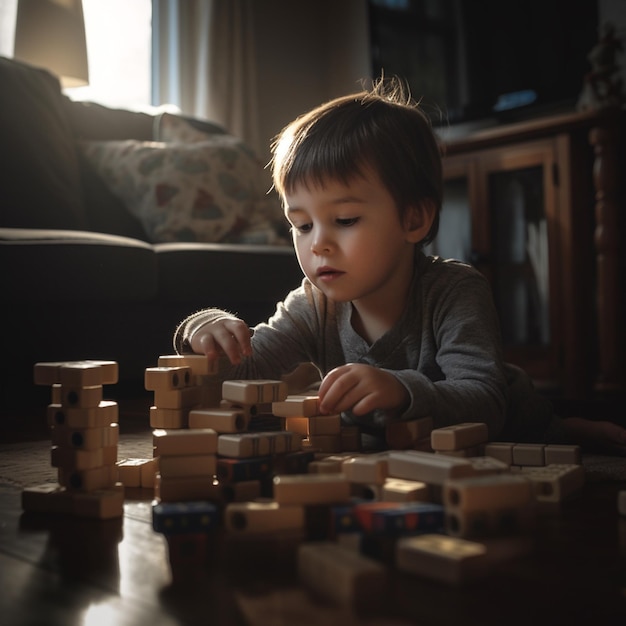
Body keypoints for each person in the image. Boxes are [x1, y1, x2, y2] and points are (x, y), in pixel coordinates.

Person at [174, 78, 626, 455]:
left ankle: (570, 428)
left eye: (345, 220)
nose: (319, 245)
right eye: (303, 224)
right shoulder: (312, 304)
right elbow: (247, 372)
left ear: (414, 219)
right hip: (413, 453)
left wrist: (401, 389)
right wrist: (207, 331)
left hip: (512, 428)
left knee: (554, 440)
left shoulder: (456, 290)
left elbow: (485, 400)